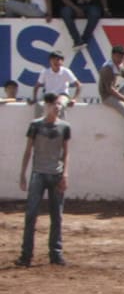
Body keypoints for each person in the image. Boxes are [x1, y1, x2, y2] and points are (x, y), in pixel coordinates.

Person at [15, 92, 71, 268]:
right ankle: (27, 255)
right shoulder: (36, 125)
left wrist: (65, 174)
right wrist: (23, 174)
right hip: (39, 173)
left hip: (53, 173)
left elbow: (66, 153)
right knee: (31, 215)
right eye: (55, 104)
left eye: (59, 104)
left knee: (57, 216)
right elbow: (28, 151)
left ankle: (55, 254)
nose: (57, 107)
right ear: (47, 105)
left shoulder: (64, 127)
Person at [31, 50, 81, 119]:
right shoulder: (45, 72)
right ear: (50, 61)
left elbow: (78, 85)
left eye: (58, 60)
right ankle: (38, 126)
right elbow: (37, 86)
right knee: (40, 105)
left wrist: (74, 99)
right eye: (53, 60)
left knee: (59, 105)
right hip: (48, 96)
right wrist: (34, 98)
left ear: (62, 62)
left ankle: (60, 125)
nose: (56, 62)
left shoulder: (66, 71)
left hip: (62, 95)